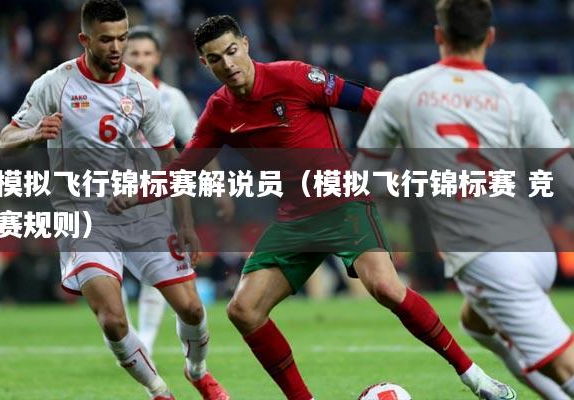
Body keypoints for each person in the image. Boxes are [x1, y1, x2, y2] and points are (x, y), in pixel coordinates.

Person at [109, 14, 517, 400]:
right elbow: (183, 169)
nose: (228, 64)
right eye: (215, 59)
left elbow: (372, 100)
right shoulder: (219, 111)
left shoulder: (295, 76)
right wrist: (136, 193)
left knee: (387, 289)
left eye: (232, 51)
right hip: (295, 220)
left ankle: (475, 377)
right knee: (244, 310)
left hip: (343, 203)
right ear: (205, 63)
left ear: (245, 45)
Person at [0, 1, 229, 399]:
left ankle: (198, 372)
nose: (117, 47)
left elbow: (172, 160)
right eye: (106, 39)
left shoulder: (141, 90)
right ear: (85, 39)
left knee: (192, 308)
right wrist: (33, 134)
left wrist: (186, 224)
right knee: (113, 320)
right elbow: (5, 141)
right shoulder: (55, 84)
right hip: (84, 217)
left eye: (123, 37)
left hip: (142, 213)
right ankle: (159, 391)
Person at [354, 0, 574, 398]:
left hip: (489, 259)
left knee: (563, 364)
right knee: (477, 324)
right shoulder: (518, 97)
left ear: (439, 35)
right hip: (536, 247)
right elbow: (567, 178)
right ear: (490, 37)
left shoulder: (404, 92)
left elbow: (362, 179)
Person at [122, 25, 234, 357]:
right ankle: (125, 334)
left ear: (157, 57)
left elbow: (200, 144)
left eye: (146, 53)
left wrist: (219, 188)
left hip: (158, 200)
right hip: (108, 195)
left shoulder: (172, 99)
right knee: (110, 272)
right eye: (134, 53)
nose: (140, 60)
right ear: (122, 56)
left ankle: (145, 341)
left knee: (156, 273)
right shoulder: (105, 96)